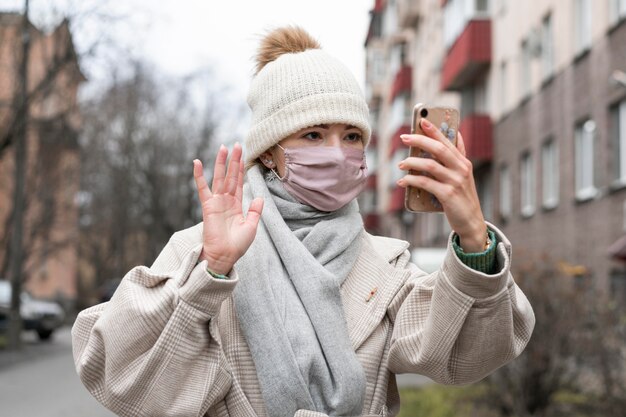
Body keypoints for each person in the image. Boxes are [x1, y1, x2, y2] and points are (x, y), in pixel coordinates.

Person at [72, 26, 535, 417]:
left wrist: (474, 235)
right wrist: (210, 275)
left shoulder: (383, 264)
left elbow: (466, 355)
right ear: (270, 151)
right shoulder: (200, 249)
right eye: (313, 134)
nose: (336, 152)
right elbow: (123, 379)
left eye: (351, 135)